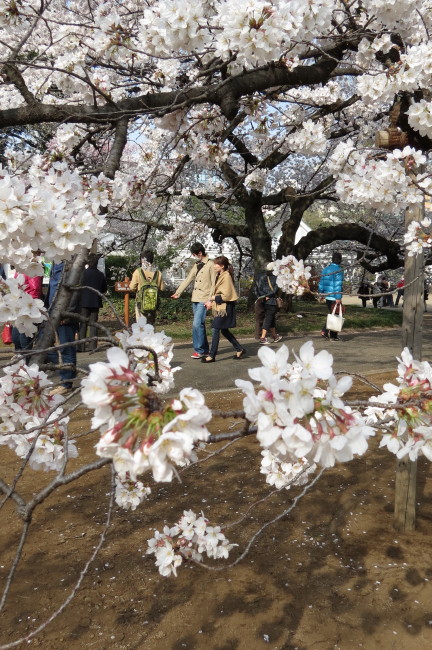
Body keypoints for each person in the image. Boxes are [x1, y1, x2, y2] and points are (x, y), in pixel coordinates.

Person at [171, 242, 216, 359]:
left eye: (195, 255)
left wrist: (210, 299)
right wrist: (178, 292)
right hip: (195, 298)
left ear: (200, 253)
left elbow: (214, 284)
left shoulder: (211, 264)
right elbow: (188, 279)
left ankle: (200, 350)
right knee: (199, 325)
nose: (195, 257)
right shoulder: (197, 265)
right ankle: (205, 350)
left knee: (197, 324)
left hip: (204, 298)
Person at [201, 256, 245, 363]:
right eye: (214, 263)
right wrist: (210, 301)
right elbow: (217, 292)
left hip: (226, 307)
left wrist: (212, 298)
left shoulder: (226, 277)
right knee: (224, 330)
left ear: (222, 266)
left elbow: (227, 295)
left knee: (215, 328)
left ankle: (212, 355)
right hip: (221, 307)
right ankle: (239, 349)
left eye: (216, 264)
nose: (214, 265)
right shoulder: (219, 275)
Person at [45, 261, 80, 395]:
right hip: (53, 312)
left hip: (64, 315)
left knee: (66, 348)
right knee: (51, 348)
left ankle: (66, 382)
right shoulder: (55, 262)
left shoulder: (71, 263)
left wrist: (67, 314)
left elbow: (75, 291)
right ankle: (69, 370)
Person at [78, 254, 107, 351]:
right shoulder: (100, 274)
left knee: (82, 324)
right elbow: (104, 289)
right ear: (97, 263)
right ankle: (92, 346)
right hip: (95, 302)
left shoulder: (82, 273)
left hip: (83, 302)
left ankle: (81, 346)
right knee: (93, 324)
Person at [129, 250, 165, 325]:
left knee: (141, 326)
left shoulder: (138, 271)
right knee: (150, 325)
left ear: (142, 259)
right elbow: (162, 288)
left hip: (140, 303)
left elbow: (132, 287)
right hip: (153, 303)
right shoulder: (158, 273)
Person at [12, 272, 43, 355]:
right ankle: (19, 362)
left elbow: (35, 289)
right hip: (18, 308)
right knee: (16, 338)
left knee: (24, 339)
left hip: (28, 308)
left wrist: (28, 306)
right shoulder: (18, 270)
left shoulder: (29, 270)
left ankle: (27, 362)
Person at [318, 252, 344, 341]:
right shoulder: (339, 270)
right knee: (336, 315)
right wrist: (338, 297)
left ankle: (328, 332)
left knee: (333, 314)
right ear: (340, 260)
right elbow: (337, 285)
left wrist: (321, 293)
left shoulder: (325, 269)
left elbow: (321, 283)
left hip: (327, 296)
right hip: (334, 297)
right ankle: (330, 334)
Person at [255, 262, 283, 345]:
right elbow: (274, 290)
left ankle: (275, 336)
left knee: (271, 318)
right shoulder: (276, 277)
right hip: (271, 301)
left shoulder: (259, 275)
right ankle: (263, 338)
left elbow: (256, 288)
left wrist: (262, 296)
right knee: (268, 318)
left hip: (262, 300)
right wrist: (268, 296)